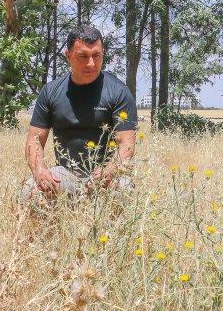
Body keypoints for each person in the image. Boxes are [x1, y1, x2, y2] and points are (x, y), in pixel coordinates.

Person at [21, 25, 137, 205]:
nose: (91, 63)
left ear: (102, 53)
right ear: (68, 56)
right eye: (83, 56)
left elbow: (127, 145)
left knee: (124, 189)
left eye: (96, 56)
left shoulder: (119, 92)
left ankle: (110, 234)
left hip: (106, 173)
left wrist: (109, 172)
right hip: (66, 174)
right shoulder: (50, 92)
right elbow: (34, 141)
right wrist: (40, 171)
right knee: (30, 191)